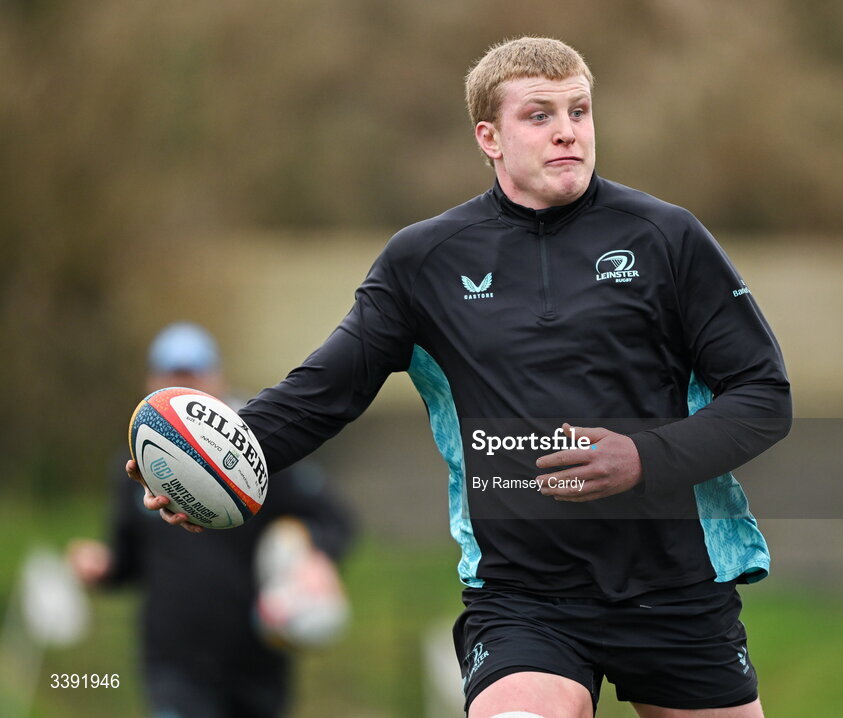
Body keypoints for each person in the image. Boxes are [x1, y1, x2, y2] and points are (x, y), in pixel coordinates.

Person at [130, 38, 791, 717]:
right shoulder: (425, 260)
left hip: (676, 588)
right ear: (490, 137)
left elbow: (765, 397)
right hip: (524, 598)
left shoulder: (668, 238)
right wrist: (218, 457)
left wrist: (642, 458)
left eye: (580, 110)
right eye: (539, 115)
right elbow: (325, 391)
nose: (567, 130)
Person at [74, 322, 355, 718]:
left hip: (257, 661)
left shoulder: (255, 458)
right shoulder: (135, 466)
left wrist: (315, 555)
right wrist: (103, 569)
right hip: (174, 667)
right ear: (153, 383)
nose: (185, 385)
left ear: (218, 380)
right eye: (173, 376)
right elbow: (129, 561)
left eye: (194, 375)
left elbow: (334, 520)